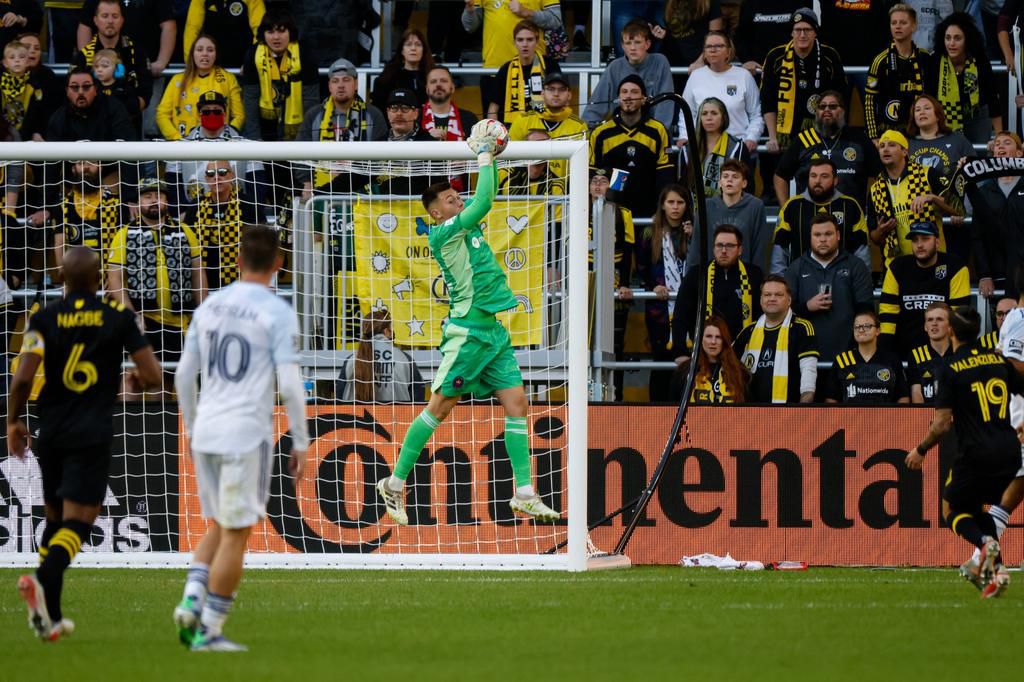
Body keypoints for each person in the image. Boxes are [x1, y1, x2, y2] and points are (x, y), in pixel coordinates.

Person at [376, 120, 559, 526]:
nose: (456, 199)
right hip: (468, 333)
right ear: (435, 211)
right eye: (448, 197)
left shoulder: (468, 229)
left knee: (518, 405)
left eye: (456, 194)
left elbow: (480, 203)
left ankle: (525, 492)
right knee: (439, 408)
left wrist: (488, 156)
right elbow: (485, 200)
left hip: (493, 333)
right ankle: (395, 480)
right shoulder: (444, 234)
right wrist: (485, 154)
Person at [9, 246, 161, 642]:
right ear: (99, 282)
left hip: (51, 431)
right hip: (91, 430)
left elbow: (23, 378)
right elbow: (153, 374)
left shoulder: (42, 318)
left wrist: (12, 420)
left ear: (61, 278)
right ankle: (41, 579)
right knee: (80, 522)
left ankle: (50, 619)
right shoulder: (117, 318)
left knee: (55, 519)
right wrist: (139, 381)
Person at [173, 225, 308, 650]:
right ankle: (209, 629)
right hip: (245, 432)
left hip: (207, 430)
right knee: (238, 532)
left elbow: (181, 376)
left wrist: (193, 429)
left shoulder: (210, 306)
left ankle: (192, 597)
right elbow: (288, 382)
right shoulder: (277, 311)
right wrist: (301, 439)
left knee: (220, 523)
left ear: (236, 262)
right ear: (278, 265)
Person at [905, 306, 1018, 598]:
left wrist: (921, 449)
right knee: (976, 508)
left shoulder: (951, 367)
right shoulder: (999, 360)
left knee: (950, 510)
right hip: (1009, 451)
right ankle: (999, 573)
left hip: (976, 451)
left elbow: (942, 424)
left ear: (952, 331)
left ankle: (984, 545)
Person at [106, 179, 208, 381]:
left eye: (159, 196)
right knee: (132, 376)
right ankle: (128, 414)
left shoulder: (185, 231)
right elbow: (115, 278)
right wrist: (131, 315)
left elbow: (198, 273)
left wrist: (203, 311)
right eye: (147, 196)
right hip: (143, 318)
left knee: (174, 380)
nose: (154, 201)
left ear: (166, 201)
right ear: (137, 202)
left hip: (179, 321)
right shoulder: (124, 234)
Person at [760, 9, 847, 202]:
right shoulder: (775, 57)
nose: (802, 34)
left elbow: (841, 99)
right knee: (771, 156)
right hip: (785, 130)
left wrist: (831, 133)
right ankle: (774, 198)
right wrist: (773, 136)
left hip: (820, 132)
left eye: (807, 29)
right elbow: (767, 101)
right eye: (797, 29)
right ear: (791, 32)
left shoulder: (829, 56)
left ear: (815, 32)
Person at [784, 214, 874, 360]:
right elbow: (783, 312)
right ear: (810, 237)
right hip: (806, 356)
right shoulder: (796, 268)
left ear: (838, 235)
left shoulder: (855, 265)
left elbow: (866, 310)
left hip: (849, 355)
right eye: (817, 234)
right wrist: (807, 307)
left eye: (828, 234)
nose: (823, 239)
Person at [298, 57, 387, 196]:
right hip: (321, 189)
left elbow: (381, 156)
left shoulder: (373, 114)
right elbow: (300, 153)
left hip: (363, 188)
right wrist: (307, 183)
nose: (340, 85)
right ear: (329, 86)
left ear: (356, 84)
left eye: (346, 80)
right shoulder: (314, 115)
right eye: (335, 81)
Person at [773, 90, 880, 207]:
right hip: (808, 218)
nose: (827, 110)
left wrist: (874, 210)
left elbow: (879, 175)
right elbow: (780, 176)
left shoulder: (859, 139)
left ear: (843, 111)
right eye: (822, 107)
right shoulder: (803, 139)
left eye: (833, 106)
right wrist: (785, 210)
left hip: (850, 218)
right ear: (816, 112)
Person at [867, 129, 957, 268]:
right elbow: (875, 238)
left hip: (932, 261)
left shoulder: (928, 174)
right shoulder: (875, 189)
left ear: (904, 151)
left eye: (891, 145)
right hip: (896, 266)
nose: (885, 149)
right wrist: (881, 230)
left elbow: (957, 208)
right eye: (882, 146)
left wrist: (932, 198)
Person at [879, 220, 970, 356]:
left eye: (925, 239)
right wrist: (886, 351)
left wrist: (956, 353)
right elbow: (888, 312)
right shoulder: (897, 267)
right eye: (915, 240)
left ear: (937, 242)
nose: (920, 245)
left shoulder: (955, 267)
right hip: (905, 350)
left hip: (943, 351)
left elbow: (958, 314)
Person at [634, 184, 691, 399]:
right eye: (671, 202)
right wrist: (652, 287)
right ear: (663, 205)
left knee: (685, 364)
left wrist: (692, 237)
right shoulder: (649, 232)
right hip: (659, 308)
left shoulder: (692, 231)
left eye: (680, 202)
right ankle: (657, 409)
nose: (675, 207)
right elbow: (641, 268)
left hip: (687, 307)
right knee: (661, 362)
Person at [589, 75, 674, 218]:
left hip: (649, 213)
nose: (628, 96)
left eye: (634, 92)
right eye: (624, 91)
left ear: (644, 98)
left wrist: (661, 212)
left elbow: (665, 176)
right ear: (618, 98)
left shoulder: (658, 131)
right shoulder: (601, 133)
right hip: (610, 213)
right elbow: (592, 174)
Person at [673, 223, 764, 355]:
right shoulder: (697, 274)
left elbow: (762, 316)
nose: (724, 250)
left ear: (740, 250)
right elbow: (681, 315)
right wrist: (680, 352)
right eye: (719, 245)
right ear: (713, 248)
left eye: (730, 246)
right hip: (705, 353)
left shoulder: (754, 275)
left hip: (744, 352)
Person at [772, 157, 870, 274]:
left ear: (835, 180)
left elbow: (861, 250)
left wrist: (862, 282)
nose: (817, 181)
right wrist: (779, 283)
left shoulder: (850, 205)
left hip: (843, 283)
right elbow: (779, 249)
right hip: (800, 284)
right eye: (813, 176)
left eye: (824, 176)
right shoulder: (792, 206)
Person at [734, 274, 819, 403]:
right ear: (761, 300)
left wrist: (804, 409)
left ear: (789, 300)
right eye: (767, 295)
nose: (772, 298)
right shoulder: (748, 331)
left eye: (778, 295)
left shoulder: (802, 328)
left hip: (789, 414)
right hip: (749, 413)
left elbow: (809, 371)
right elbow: (728, 364)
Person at [582, 20, 675, 134]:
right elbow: (596, 105)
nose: (632, 48)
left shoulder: (660, 62)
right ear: (622, 46)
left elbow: (665, 105)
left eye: (637, 42)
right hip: (621, 132)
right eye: (628, 43)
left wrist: (657, 133)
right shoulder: (614, 67)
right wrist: (588, 132)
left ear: (647, 44)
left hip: (654, 132)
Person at [678, 31, 762, 158]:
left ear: (729, 51)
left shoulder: (743, 75)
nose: (713, 50)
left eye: (719, 46)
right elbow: (686, 112)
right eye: (709, 47)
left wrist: (751, 138)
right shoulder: (696, 76)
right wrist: (684, 136)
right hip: (704, 148)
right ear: (704, 53)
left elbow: (756, 113)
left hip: (737, 148)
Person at [590, 167, 635, 401]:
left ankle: (616, 395)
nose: (598, 186)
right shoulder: (578, 209)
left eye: (603, 181)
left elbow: (627, 252)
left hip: (613, 277)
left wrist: (625, 284)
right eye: (594, 181)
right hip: (584, 277)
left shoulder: (622, 213)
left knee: (615, 342)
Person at [240, 9, 319, 142]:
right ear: (263, 34)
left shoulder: (304, 53)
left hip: (298, 130)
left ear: (290, 32)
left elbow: (310, 100)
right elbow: (250, 100)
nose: (276, 37)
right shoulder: (253, 54)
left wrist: (305, 138)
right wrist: (255, 138)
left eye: (282, 31)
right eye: (270, 32)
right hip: (265, 129)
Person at [184, 160, 263, 290]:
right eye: (211, 174)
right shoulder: (195, 206)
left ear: (231, 175)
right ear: (206, 179)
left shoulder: (248, 204)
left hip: (241, 280)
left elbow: (261, 244)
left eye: (222, 172)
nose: (216, 177)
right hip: (203, 280)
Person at [927, 12, 1002, 143]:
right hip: (945, 119)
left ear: (967, 39)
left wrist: (1000, 136)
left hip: (977, 118)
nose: (951, 43)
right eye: (948, 38)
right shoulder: (935, 61)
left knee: (977, 159)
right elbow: (929, 99)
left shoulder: (980, 60)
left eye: (957, 38)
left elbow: (992, 98)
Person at [865, 5, 934, 142]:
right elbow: (869, 101)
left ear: (914, 26)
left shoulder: (925, 58)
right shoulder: (880, 61)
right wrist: (873, 136)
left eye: (903, 23)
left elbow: (933, 97)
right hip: (889, 133)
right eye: (894, 23)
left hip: (919, 134)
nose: (898, 26)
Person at [687, 159, 770, 272]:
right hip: (712, 275)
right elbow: (696, 247)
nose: (729, 180)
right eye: (725, 176)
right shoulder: (706, 206)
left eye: (735, 177)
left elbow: (759, 248)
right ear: (720, 182)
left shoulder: (756, 206)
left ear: (744, 183)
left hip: (744, 276)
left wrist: (757, 279)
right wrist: (692, 278)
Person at [969, 131, 1024, 299]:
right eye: (997, 143)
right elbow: (978, 235)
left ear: (1019, 153)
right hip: (997, 270)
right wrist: (984, 274)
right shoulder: (984, 191)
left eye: (1007, 142)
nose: (1000, 146)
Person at [156, 34, 243, 140]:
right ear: (192, 54)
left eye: (210, 50)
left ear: (216, 54)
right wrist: (177, 139)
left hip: (219, 144)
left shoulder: (228, 79)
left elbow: (239, 115)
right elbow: (162, 114)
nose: (205, 54)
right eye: (199, 50)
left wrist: (226, 135)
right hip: (182, 144)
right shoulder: (177, 80)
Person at [75, 0, 150, 121]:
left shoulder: (136, 52)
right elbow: (73, 95)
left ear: (122, 20)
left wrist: (121, 116)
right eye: (105, 16)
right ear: (95, 20)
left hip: (128, 123)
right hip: (91, 125)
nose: (110, 21)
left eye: (115, 16)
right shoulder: (83, 56)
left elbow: (146, 95)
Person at [337, 309, 425, 402]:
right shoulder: (404, 359)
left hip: (357, 416)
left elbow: (340, 395)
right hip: (397, 416)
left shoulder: (352, 360)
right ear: (386, 331)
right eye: (392, 329)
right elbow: (418, 398)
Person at [488, 19, 561, 126]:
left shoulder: (550, 65)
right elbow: (493, 109)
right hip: (513, 129)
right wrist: (496, 133)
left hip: (546, 126)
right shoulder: (506, 69)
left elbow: (560, 99)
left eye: (529, 39)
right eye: (520, 40)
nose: (525, 44)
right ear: (514, 43)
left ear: (537, 41)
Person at [826, 311, 910, 404]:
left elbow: (903, 397)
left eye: (867, 326)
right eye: (857, 327)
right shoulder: (842, 360)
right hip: (851, 418)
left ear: (878, 330)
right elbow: (831, 399)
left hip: (884, 418)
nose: (861, 330)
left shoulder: (892, 360)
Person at [45, 66, 136, 142]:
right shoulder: (59, 118)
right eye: (74, 87)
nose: (80, 92)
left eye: (86, 86)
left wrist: (101, 163)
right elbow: (51, 160)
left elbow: (128, 149)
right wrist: (73, 164)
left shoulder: (115, 110)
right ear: (67, 91)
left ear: (95, 89)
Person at [672, 315, 749, 403]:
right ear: (700, 339)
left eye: (718, 337)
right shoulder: (684, 371)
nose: (713, 342)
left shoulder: (740, 372)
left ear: (724, 341)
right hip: (695, 417)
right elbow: (673, 409)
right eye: (709, 336)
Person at [692, 97, 752, 198]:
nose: (709, 117)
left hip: (728, 208)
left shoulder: (737, 147)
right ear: (699, 118)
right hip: (693, 209)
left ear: (723, 117)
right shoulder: (688, 149)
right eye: (704, 113)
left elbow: (747, 185)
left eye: (714, 113)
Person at [907, 94, 975, 181]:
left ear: (938, 115)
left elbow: (974, 169)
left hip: (949, 193)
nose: (922, 112)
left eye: (927, 108)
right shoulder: (907, 143)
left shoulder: (957, 139)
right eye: (917, 110)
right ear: (914, 117)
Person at [183, 0, 265, 69]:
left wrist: (252, 61)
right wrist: (190, 63)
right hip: (211, 65)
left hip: (243, 66)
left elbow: (260, 31)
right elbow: (192, 30)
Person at [370, 28, 434, 114]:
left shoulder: (433, 78)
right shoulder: (387, 79)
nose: (413, 48)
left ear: (424, 50)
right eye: (408, 44)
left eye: (418, 45)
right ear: (402, 51)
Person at [907, 301, 953, 403]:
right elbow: (916, 392)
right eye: (930, 320)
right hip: (927, 416)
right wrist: (924, 418)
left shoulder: (959, 352)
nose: (934, 324)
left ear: (950, 325)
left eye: (939, 319)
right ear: (925, 326)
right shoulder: (916, 355)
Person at [658, 0, 724, 71]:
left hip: (701, 63)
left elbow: (716, 37)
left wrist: (701, 61)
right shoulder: (669, 2)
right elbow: (674, 32)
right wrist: (662, 33)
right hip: (675, 62)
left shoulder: (710, 2)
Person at [421, 65, 480, 143]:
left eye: (443, 81)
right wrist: (427, 137)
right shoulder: (415, 117)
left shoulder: (469, 119)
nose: (438, 84)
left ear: (452, 87)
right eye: (433, 81)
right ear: (427, 89)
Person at [0, 39, 42, 139]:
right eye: (12, 57)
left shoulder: (34, 86)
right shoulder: (1, 85)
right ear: (5, 63)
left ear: (27, 62)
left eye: (21, 57)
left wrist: (35, 132)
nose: (17, 60)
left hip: (26, 136)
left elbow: (37, 114)